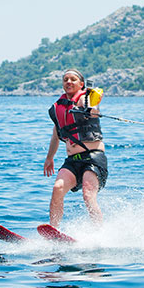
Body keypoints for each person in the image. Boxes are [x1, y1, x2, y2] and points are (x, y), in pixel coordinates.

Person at [44, 69, 107, 227]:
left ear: (81, 84)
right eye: (66, 79)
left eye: (73, 79)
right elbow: (55, 137)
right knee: (58, 188)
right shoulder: (59, 108)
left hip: (93, 158)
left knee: (88, 194)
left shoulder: (87, 99)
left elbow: (94, 104)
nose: (69, 82)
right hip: (72, 161)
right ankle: (53, 231)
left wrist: (90, 106)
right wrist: (49, 158)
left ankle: (99, 233)